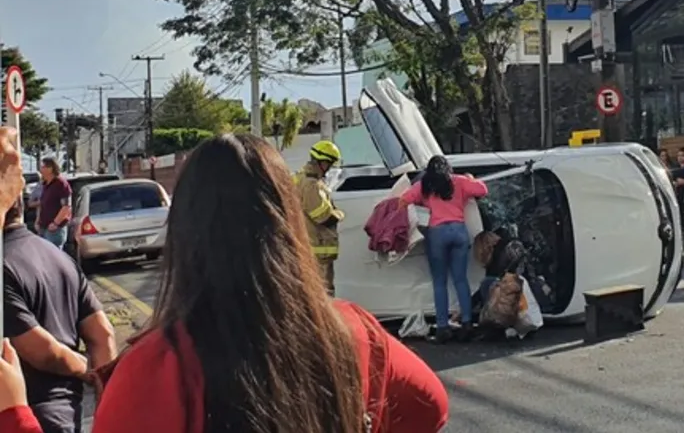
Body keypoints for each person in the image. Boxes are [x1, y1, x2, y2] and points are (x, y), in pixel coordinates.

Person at [0, 133, 449, 433]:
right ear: (285, 220)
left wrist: (16, 412)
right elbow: (431, 409)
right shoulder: (357, 330)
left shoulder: (160, 366)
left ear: (185, 230)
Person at [3, 198, 118, 433]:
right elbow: (102, 334)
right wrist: (107, 407)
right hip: (70, 413)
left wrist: (86, 369)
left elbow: (42, 352)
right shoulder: (59, 256)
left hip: (28, 417)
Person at [400, 155, 487, 344]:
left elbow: (404, 200)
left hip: (437, 233)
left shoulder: (425, 185)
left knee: (439, 282)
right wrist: (470, 178)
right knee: (461, 280)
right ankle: (466, 324)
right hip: (459, 231)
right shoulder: (459, 181)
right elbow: (482, 189)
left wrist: (421, 207)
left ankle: (442, 328)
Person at [293, 140, 346, 294]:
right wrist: (339, 214)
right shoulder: (311, 185)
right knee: (323, 294)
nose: (329, 169)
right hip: (317, 249)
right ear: (321, 162)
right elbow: (322, 217)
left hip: (307, 246)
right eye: (329, 164)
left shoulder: (301, 178)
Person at [35, 158, 72, 249]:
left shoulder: (61, 184)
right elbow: (42, 204)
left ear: (50, 168)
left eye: (43, 167)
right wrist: (37, 221)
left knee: (54, 257)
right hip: (43, 227)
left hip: (54, 230)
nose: (40, 170)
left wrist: (55, 223)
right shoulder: (45, 185)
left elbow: (66, 207)